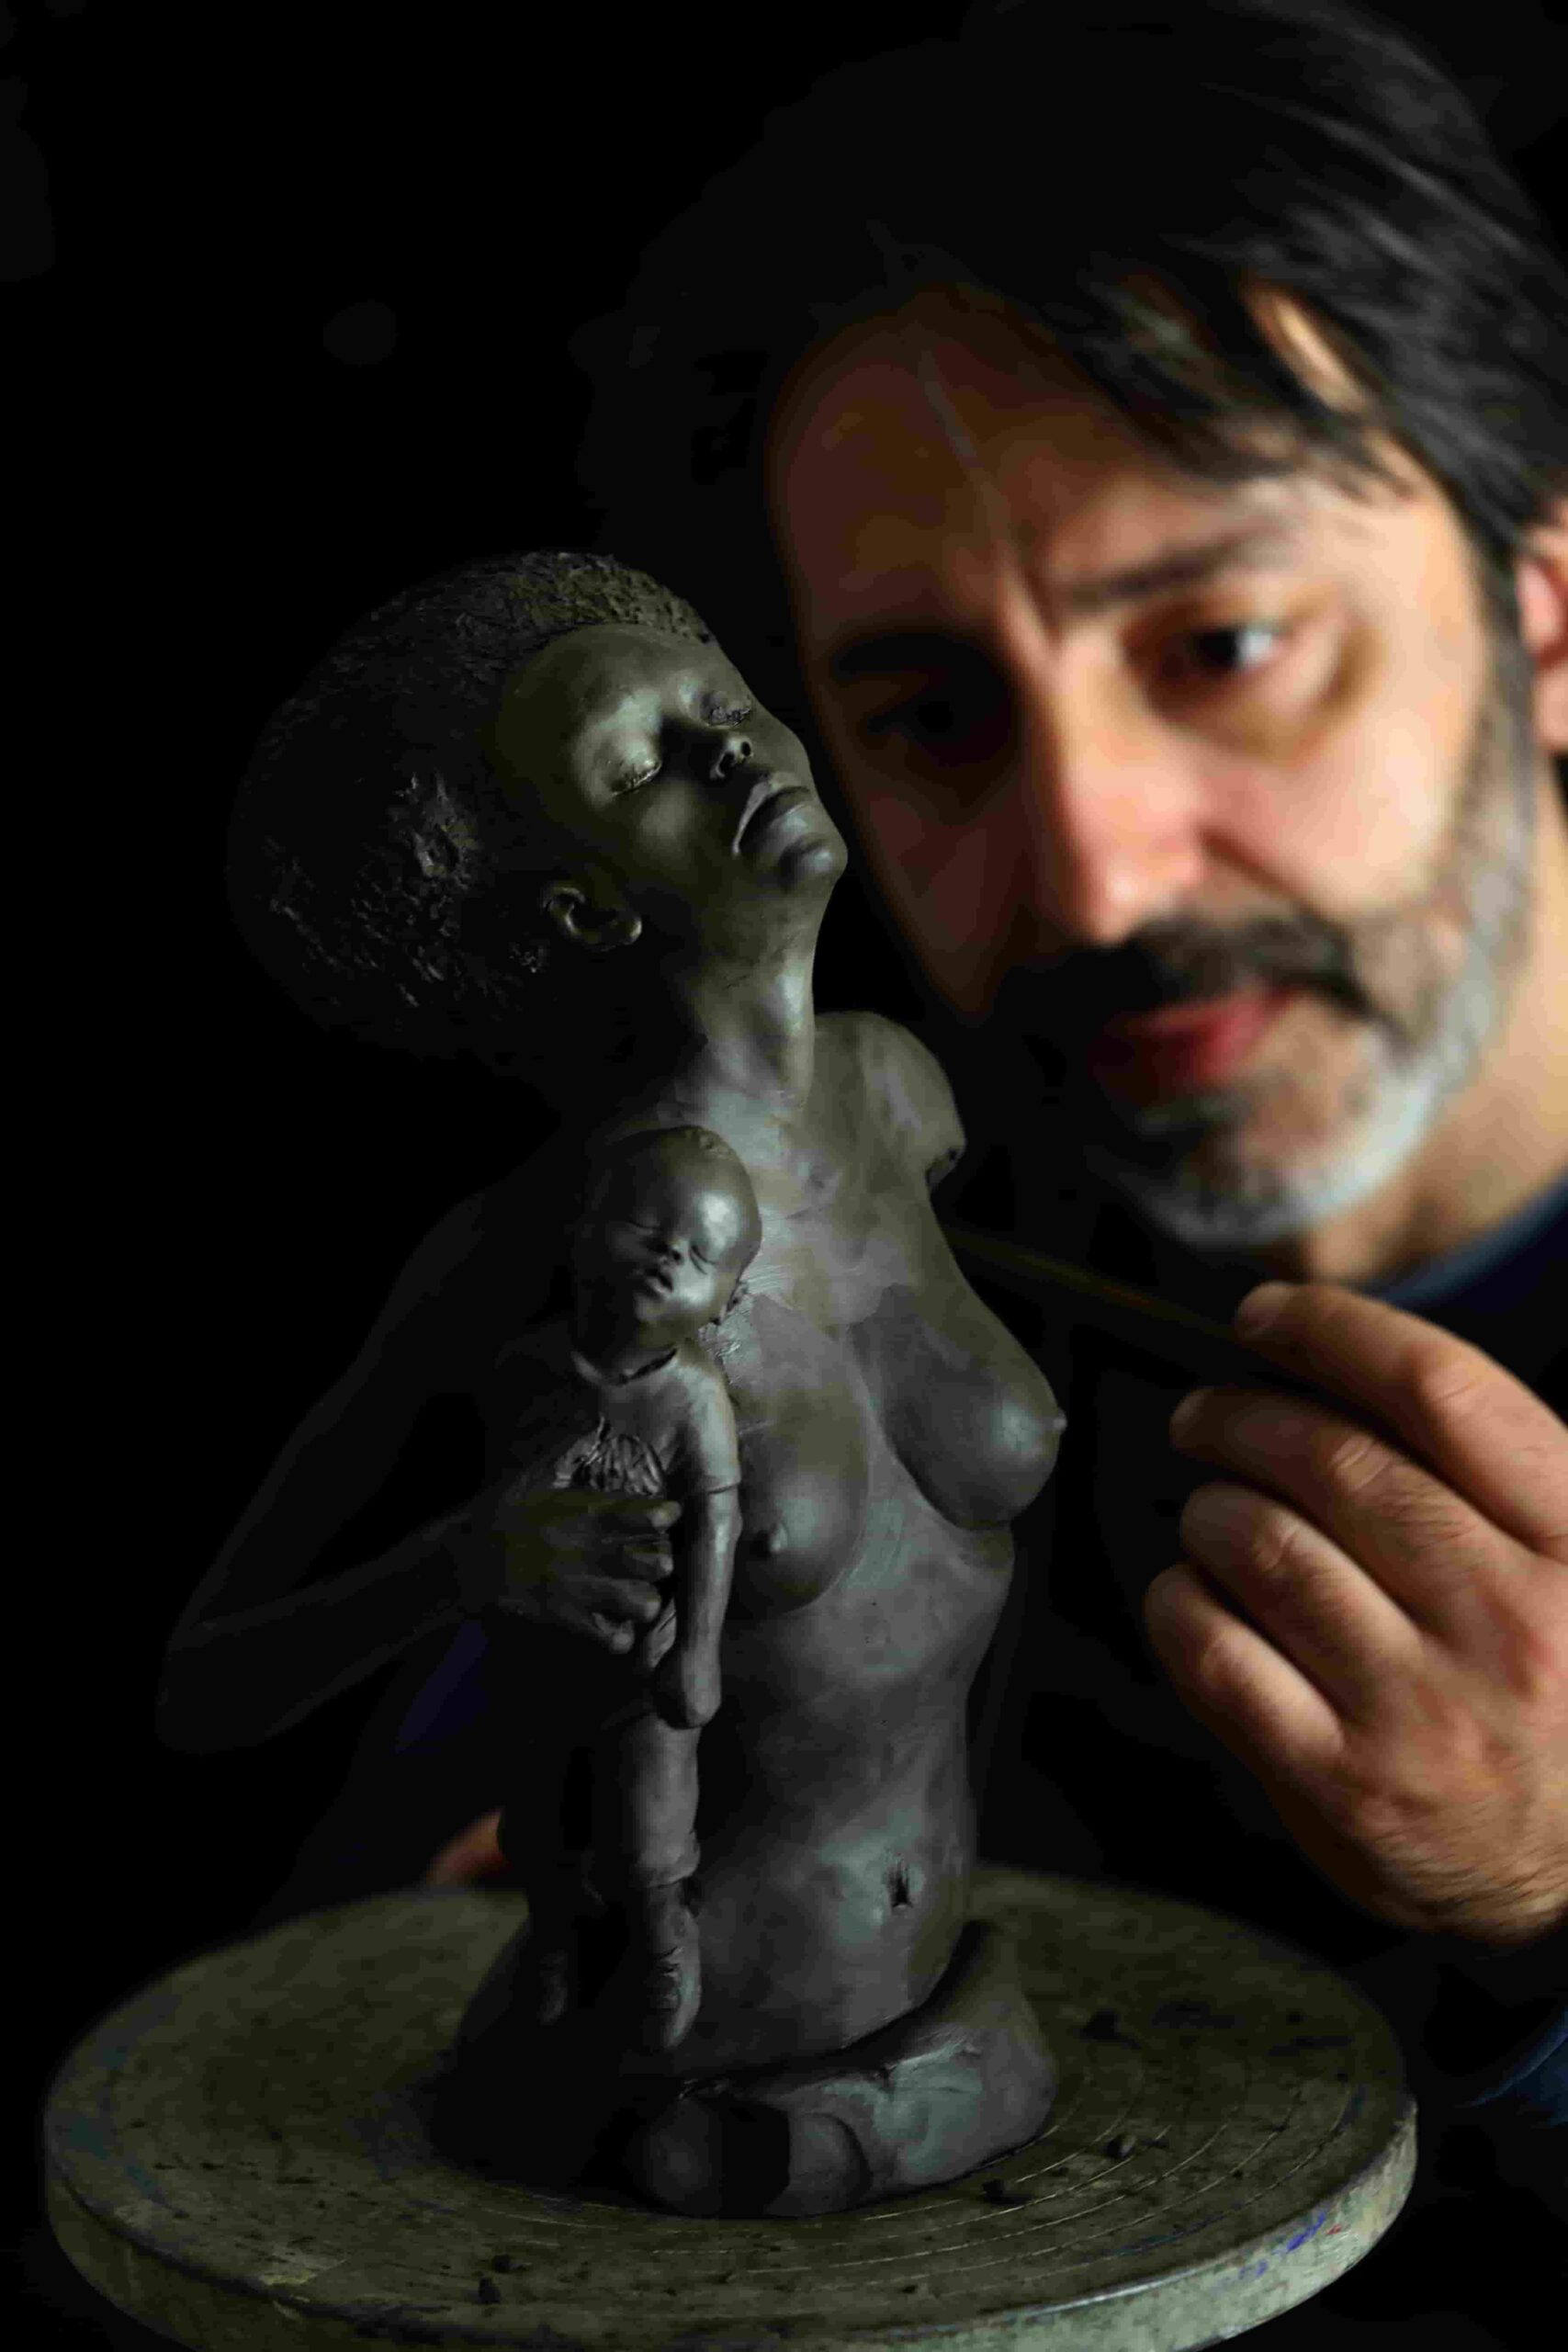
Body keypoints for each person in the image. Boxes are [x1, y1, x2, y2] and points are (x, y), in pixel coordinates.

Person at [415, 0, 1568, 2327]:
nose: (1094, 869)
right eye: (930, 712)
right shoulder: (789, 1233)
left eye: (1223, 640)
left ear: (1544, 619)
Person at [164, 545, 1066, 2213]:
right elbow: (203, 1688)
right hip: (675, 2075)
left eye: (723, 701)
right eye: (644, 762)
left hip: (962, 2021)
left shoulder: (899, 1100)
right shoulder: (545, 1248)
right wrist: (460, 1564)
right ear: (585, 907)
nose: (734, 747)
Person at [479, 1123, 760, 2053]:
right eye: (648, 1225)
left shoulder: (693, 1400)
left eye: (701, 1255)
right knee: (539, 1820)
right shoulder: (526, 1369)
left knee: (648, 1834)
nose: (671, 1256)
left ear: (727, 1299)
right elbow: (493, 1499)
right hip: (537, 1652)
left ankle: (661, 1941)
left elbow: (715, 1524)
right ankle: (553, 1938)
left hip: (644, 1664)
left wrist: (697, 1650)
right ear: (582, 1225)